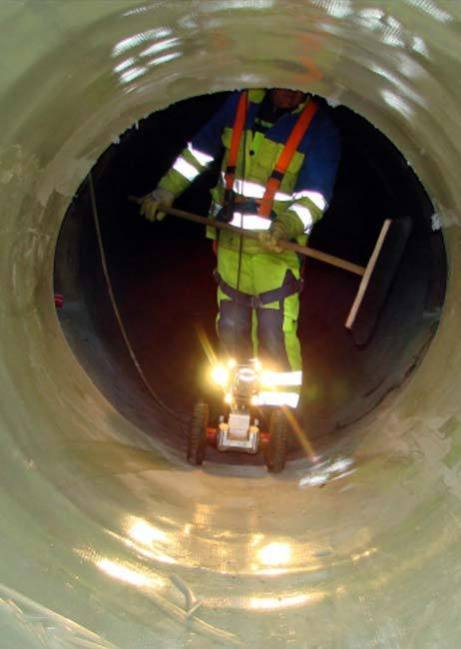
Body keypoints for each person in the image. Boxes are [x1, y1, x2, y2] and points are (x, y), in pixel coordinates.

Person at [140, 88, 340, 409]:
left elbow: (315, 197)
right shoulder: (241, 104)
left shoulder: (319, 128)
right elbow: (198, 153)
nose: (289, 93)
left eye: (297, 88)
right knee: (231, 328)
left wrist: (286, 225)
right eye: (283, 85)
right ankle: (235, 404)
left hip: (275, 252)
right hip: (230, 243)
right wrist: (167, 189)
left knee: (275, 333)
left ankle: (278, 416)